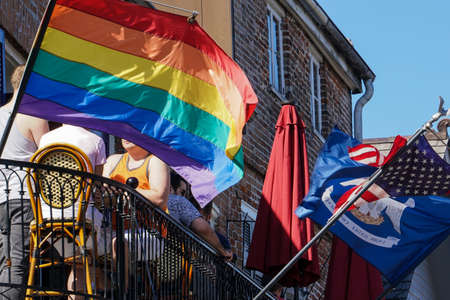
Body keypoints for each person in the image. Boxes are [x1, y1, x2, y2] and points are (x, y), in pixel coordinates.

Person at [38, 124, 107, 299]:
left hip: (46, 215)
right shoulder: (96, 140)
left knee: (80, 257)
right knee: (85, 259)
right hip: (80, 216)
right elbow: (96, 187)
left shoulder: (46, 139)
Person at [0, 65, 49, 299]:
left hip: (0, 196)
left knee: (5, 259)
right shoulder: (33, 116)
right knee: (18, 260)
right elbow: (47, 158)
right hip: (22, 196)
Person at [168, 172, 232, 259]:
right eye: (182, 192)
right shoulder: (178, 201)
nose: (184, 197)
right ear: (170, 189)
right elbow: (202, 228)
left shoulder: (153, 198)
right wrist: (222, 251)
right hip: (172, 258)